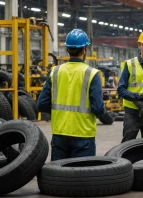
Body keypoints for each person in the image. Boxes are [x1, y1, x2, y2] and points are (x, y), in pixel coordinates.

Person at [37, 29, 106, 161]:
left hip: (59, 134)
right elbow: (98, 109)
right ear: (85, 49)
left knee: (59, 176)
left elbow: (41, 104)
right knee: (81, 177)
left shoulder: (55, 72)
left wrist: (61, 115)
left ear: (68, 49)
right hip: (83, 135)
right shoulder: (92, 74)